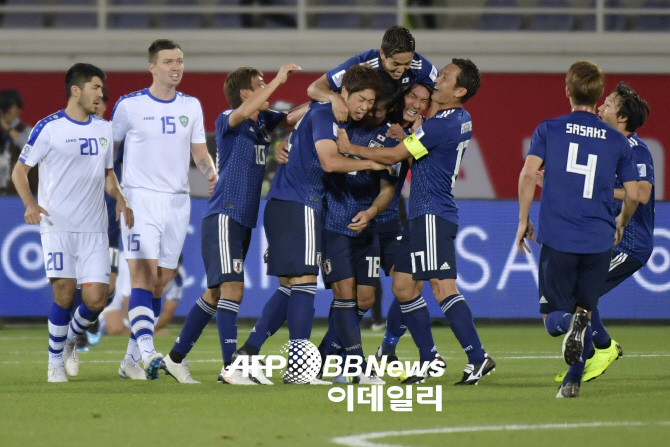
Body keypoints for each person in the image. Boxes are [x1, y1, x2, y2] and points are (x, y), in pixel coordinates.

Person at [337, 59, 494, 385]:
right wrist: (411, 131)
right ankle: (423, 357)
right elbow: (420, 148)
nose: (440, 79)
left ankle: (477, 358)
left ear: (460, 90)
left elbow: (396, 157)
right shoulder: (456, 119)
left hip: (433, 215)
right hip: (425, 215)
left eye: (447, 77)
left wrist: (351, 148)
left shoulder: (441, 124)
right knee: (404, 286)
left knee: (442, 288)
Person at [235, 64, 387, 385]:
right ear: (343, 92)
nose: (365, 107)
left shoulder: (324, 112)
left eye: (370, 103)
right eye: (361, 99)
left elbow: (297, 119)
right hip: (300, 202)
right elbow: (330, 161)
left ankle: (245, 356)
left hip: (287, 203)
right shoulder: (325, 115)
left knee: (290, 287)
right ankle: (300, 370)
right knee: (304, 284)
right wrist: (374, 161)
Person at [160, 63, 306, 385]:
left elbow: (295, 115)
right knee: (232, 289)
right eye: (261, 83)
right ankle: (233, 367)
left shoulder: (264, 123)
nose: (268, 85)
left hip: (242, 220)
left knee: (214, 294)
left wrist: (329, 97)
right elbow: (245, 113)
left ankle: (174, 359)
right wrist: (280, 80)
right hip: (224, 214)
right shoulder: (227, 119)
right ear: (245, 93)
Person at [516, 61, 640, 398]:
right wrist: (621, 222)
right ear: (599, 94)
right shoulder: (617, 141)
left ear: (568, 90)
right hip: (599, 238)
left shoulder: (549, 129)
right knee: (586, 308)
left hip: (559, 236)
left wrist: (522, 219)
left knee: (554, 319)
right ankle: (571, 384)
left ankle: (571, 327)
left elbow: (528, 174)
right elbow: (632, 194)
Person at [11, 63, 133, 382]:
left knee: (96, 299)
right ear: (75, 90)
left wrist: (118, 196)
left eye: (102, 89)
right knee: (64, 293)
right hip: (58, 225)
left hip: (94, 228)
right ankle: (54, 363)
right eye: (95, 87)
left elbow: (108, 175)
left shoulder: (103, 129)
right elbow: (20, 171)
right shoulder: (48, 128)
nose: (101, 94)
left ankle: (69, 341)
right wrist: (30, 203)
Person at [111, 39, 216, 380]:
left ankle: (130, 361)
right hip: (139, 200)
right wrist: (116, 195)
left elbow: (199, 152)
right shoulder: (129, 106)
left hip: (178, 202)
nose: (176, 67)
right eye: (169, 61)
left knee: (160, 283)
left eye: (180, 61)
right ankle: (149, 352)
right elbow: (107, 155)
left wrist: (212, 174)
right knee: (142, 276)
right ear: (152, 67)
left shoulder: (192, 106)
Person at [553, 82, 652, 383]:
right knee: (574, 292)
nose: (600, 107)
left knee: (577, 292)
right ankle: (596, 352)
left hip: (630, 244)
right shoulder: (607, 146)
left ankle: (603, 349)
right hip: (605, 239)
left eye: (608, 104)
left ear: (622, 118)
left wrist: (603, 188)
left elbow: (643, 194)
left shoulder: (635, 148)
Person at [316, 86, 397, 384]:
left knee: (363, 300)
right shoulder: (336, 124)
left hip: (367, 227)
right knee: (345, 295)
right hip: (334, 225)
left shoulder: (391, 140)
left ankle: (323, 357)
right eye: (365, 102)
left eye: (376, 105)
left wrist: (372, 212)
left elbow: (388, 188)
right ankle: (356, 368)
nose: (370, 110)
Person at [307, 25, 437, 122]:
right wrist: (335, 99)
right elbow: (314, 88)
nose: (401, 70)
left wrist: (429, 128)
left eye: (407, 63)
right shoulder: (362, 64)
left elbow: (440, 96)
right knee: (317, 106)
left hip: (390, 121)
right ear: (382, 54)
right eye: (396, 64)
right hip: (357, 120)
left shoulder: (422, 66)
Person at [0, 89, 32, 194]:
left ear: (18, 109)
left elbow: (29, 150)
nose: (6, 111)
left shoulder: (25, 130)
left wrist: (8, 129)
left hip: (19, 192)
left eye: (9, 107)